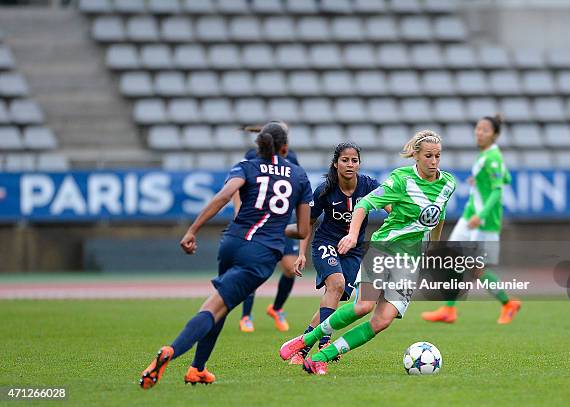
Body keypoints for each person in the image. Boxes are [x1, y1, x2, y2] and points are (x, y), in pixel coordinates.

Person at [139, 122, 312, 388]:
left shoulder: (247, 165)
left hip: (232, 242)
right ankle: (171, 352)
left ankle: (197, 369)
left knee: (221, 305)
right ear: (286, 148)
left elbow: (223, 197)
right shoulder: (299, 176)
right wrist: (275, 228)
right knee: (214, 308)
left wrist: (192, 230)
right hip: (262, 254)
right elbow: (302, 230)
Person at [279, 130, 456, 375]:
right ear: (415, 156)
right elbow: (363, 205)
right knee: (363, 305)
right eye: (428, 156)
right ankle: (305, 340)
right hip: (385, 249)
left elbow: (439, 216)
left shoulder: (448, 183)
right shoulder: (400, 180)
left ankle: (322, 357)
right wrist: (352, 235)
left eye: (438, 156)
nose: (434, 162)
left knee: (382, 321)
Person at [289, 142, 390, 365]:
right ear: (336, 164)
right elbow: (308, 224)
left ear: (359, 164)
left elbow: (391, 209)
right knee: (336, 284)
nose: (350, 164)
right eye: (345, 160)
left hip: (353, 251)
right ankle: (325, 343)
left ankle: (302, 348)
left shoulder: (369, 185)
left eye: (354, 160)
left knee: (334, 298)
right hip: (326, 244)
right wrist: (302, 253)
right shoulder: (324, 190)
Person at [421, 114, 520, 325]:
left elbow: (497, 192)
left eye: (484, 129)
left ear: (495, 135)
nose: (479, 132)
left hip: (481, 220)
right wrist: (479, 180)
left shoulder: (493, 158)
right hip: (470, 216)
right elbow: (507, 178)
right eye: (477, 128)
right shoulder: (486, 155)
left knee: (476, 269)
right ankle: (449, 309)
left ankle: (508, 303)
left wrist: (481, 216)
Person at [233, 126, 301, 333]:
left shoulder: (291, 156)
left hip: (282, 220)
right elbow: (237, 186)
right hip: (259, 220)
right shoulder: (252, 156)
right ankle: (246, 316)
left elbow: (297, 185)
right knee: (254, 267)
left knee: (290, 269)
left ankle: (277, 308)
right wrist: (238, 212)